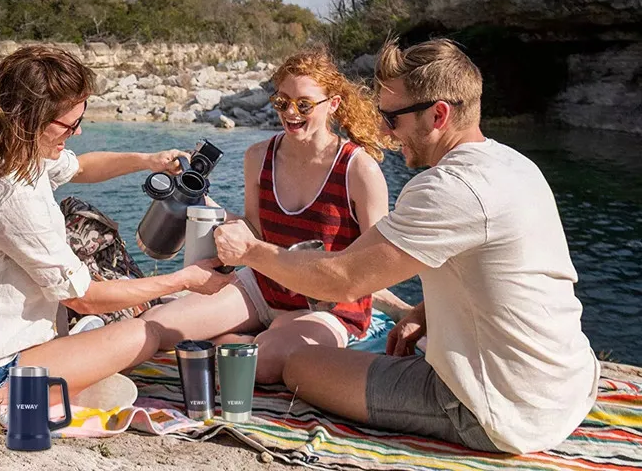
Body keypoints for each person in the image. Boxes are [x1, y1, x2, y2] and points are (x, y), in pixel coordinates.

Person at [213, 38, 600, 454]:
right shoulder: (514, 165)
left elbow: (344, 280)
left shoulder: (448, 187)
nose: (383, 131)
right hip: (568, 387)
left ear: (438, 115)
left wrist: (251, 251)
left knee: (299, 365)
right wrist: (425, 312)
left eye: (392, 118)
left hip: (494, 410)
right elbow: (507, 276)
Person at [0, 45, 231, 403]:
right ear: (29, 121)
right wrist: (184, 279)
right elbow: (85, 299)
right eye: (70, 124)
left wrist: (147, 160)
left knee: (112, 336)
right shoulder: (11, 195)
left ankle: (69, 371)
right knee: (144, 335)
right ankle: (26, 395)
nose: (77, 132)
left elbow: (81, 168)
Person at [137, 48, 409, 384]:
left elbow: (375, 262)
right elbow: (254, 228)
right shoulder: (258, 156)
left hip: (328, 307)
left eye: (304, 105)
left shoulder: (359, 170)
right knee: (156, 327)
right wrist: (200, 204)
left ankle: (243, 340)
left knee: (259, 363)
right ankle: (244, 337)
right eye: (282, 102)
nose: (291, 113)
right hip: (262, 287)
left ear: (333, 104)